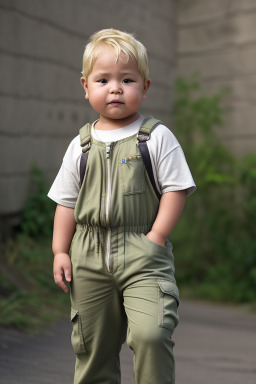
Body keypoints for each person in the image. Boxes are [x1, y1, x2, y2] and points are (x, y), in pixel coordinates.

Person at [48, 28, 196, 384]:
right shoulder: (80, 146)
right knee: (92, 346)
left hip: (143, 252)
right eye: (103, 79)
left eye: (127, 79)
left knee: (151, 334)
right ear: (86, 87)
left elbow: (176, 189)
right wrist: (59, 250)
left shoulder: (156, 137)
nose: (115, 88)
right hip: (88, 255)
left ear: (144, 87)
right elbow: (66, 203)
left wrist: (156, 238)